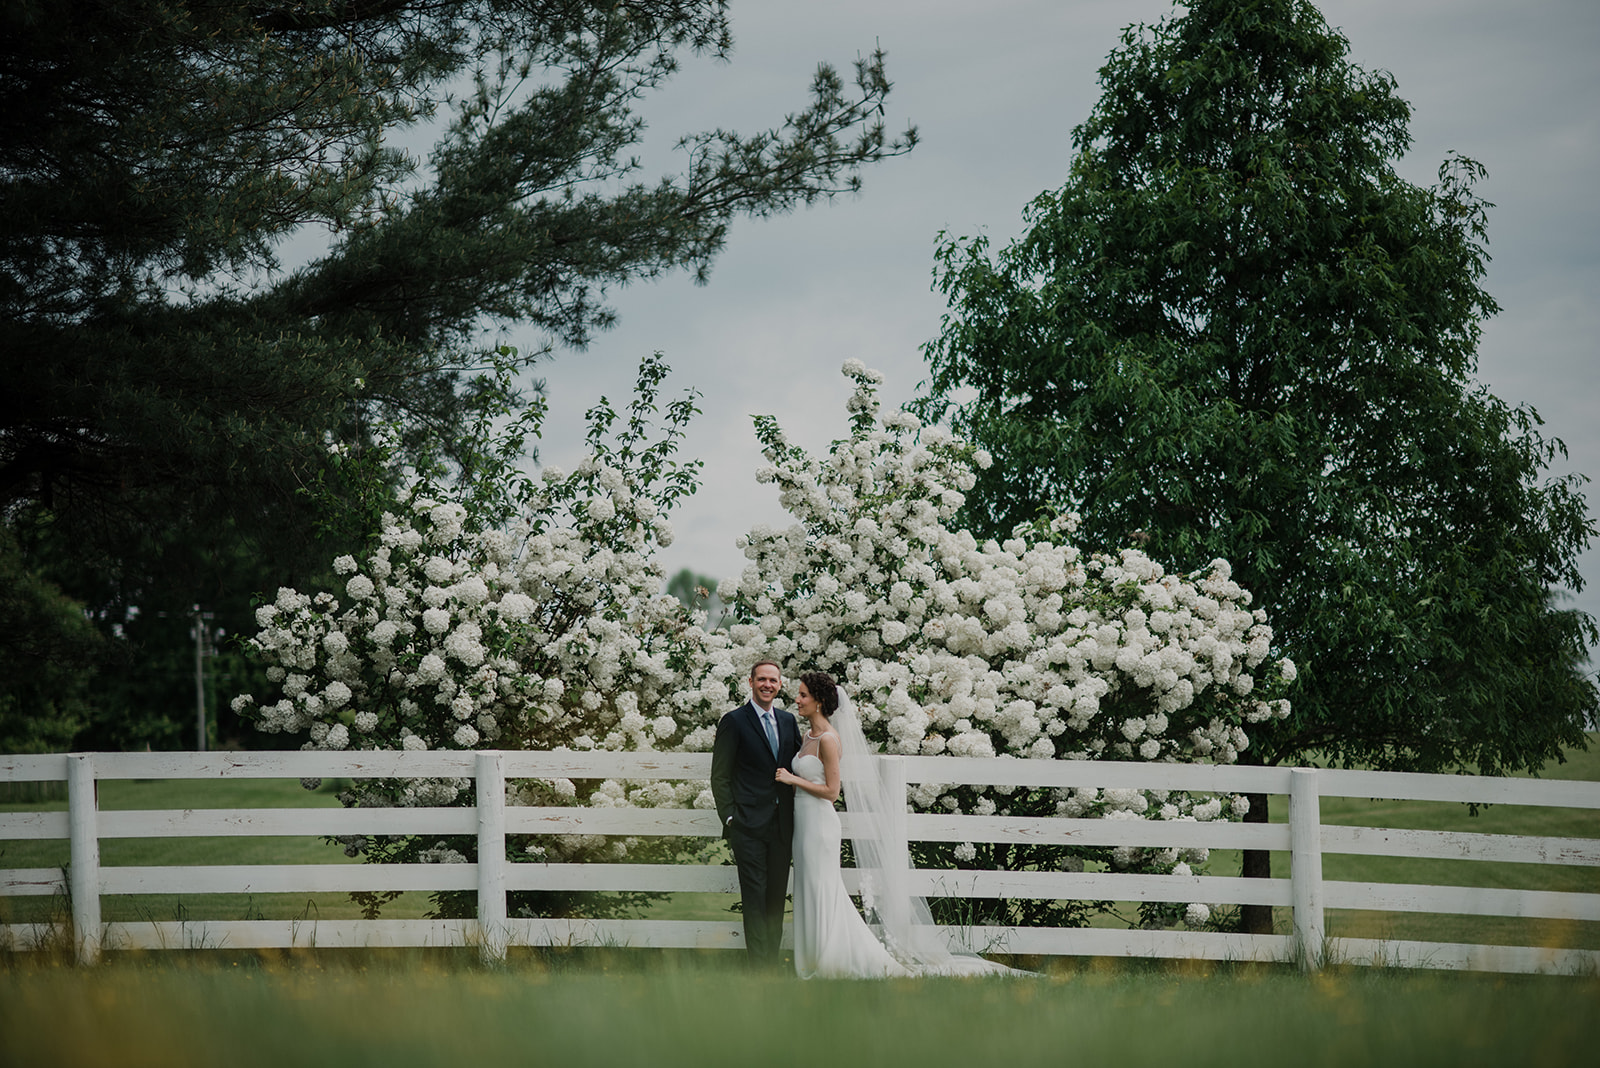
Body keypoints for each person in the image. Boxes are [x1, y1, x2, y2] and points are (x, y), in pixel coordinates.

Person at [775, 670, 1025, 979]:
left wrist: (791, 778)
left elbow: (831, 792)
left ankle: (835, 956)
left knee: (822, 887)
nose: (796, 700)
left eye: (802, 695)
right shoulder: (807, 736)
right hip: (804, 825)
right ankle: (811, 956)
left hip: (821, 825)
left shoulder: (827, 739)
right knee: (808, 887)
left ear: (820, 701)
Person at [710, 659, 803, 967]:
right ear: (750, 682)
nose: (767, 685)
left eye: (773, 680)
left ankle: (772, 966)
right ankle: (758, 968)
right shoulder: (734, 721)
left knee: (776, 899)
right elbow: (719, 775)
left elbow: (800, 765)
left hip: (782, 827)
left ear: (780, 685)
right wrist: (730, 817)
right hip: (747, 826)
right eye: (761, 679)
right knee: (755, 898)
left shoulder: (789, 721)